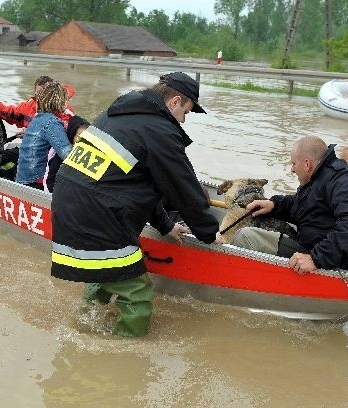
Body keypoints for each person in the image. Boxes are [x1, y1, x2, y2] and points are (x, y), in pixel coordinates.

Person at [50, 72, 226, 337]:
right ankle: (124, 353)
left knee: (108, 271)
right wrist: (209, 232)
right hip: (97, 213)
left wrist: (166, 225)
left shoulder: (122, 111)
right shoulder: (160, 130)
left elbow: (134, 184)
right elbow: (184, 189)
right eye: (186, 112)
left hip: (70, 203)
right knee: (138, 293)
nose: (184, 119)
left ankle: (83, 325)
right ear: (175, 101)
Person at [230, 136, 348, 275]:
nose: (292, 169)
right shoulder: (320, 176)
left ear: (307, 163)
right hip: (318, 246)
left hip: (334, 260)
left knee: (246, 237)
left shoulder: (344, 180)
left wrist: (316, 258)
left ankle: (235, 284)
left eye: (293, 163)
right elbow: (304, 207)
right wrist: (274, 205)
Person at [16, 82, 72, 189]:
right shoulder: (52, 122)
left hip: (24, 177)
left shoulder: (38, 118)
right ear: (59, 101)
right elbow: (67, 154)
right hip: (36, 181)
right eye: (66, 99)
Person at [0, 75, 75, 130]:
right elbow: (12, 113)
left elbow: (63, 135)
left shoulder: (65, 111)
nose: (41, 97)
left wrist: (29, 133)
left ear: (53, 93)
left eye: (44, 92)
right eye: (38, 93)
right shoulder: (30, 106)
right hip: (31, 148)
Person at [43, 115, 89, 193]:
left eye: (86, 137)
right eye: (79, 137)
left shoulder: (91, 154)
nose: (83, 141)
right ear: (71, 135)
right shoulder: (58, 155)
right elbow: (50, 182)